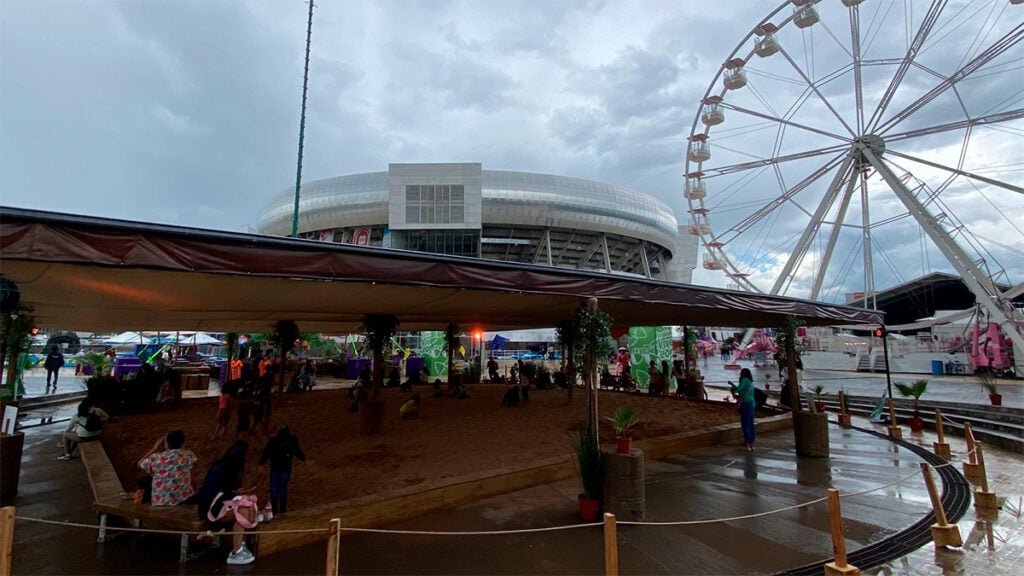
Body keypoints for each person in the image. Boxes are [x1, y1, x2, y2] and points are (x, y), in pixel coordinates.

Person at [195, 441, 258, 565]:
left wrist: (238, 492)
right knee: (243, 511)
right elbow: (211, 495)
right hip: (210, 509)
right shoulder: (218, 469)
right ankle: (235, 552)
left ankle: (242, 544)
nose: (247, 459)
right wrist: (234, 494)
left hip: (223, 505)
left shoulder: (233, 470)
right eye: (246, 456)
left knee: (249, 507)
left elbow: (229, 491)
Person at [137, 429, 197, 506]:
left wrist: (155, 448)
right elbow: (189, 456)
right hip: (184, 500)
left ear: (166, 443)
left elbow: (140, 464)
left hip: (160, 501)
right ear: (182, 443)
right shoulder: (188, 455)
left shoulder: (155, 458)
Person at [258, 425, 307, 515]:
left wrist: (304, 459)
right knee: (275, 490)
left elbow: (296, 451)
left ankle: (282, 512)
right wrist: (261, 463)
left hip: (284, 468)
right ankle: (276, 511)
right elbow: (267, 452)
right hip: (276, 468)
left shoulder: (290, 441)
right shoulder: (274, 441)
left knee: (281, 489)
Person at [730, 368, 756, 452]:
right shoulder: (750, 381)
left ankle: (747, 443)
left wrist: (731, 384)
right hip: (752, 403)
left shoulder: (744, 380)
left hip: (746, 403)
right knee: (751, 423)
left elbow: (738, 389)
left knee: (745, 423)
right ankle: (751, 443)